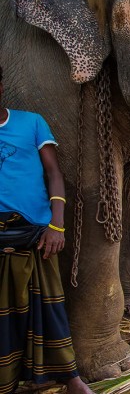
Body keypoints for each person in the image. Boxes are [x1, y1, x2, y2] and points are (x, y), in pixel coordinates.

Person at [0, 65, 92, 393]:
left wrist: (57, 224)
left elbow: (54, 173)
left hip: (37, 235)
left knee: (50, 311)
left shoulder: (31, 123)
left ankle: (72, 380)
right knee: (5, 321)